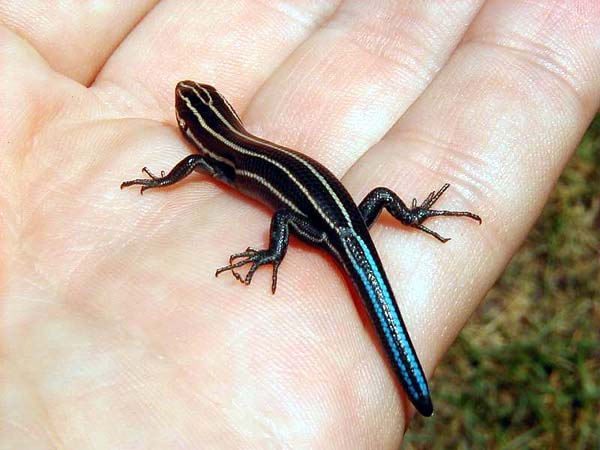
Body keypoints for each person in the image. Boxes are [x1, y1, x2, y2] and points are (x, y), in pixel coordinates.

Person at [1, 2, 598, 448]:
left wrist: (263, 247)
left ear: (196, 128)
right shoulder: (239, 148)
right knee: (375, 199)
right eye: (192, 102)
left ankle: (281, 259)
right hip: (348, 218)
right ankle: (409, 222)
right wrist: (401, 216)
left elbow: (260, 197)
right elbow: (295, 187)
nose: (186, 102)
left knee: (288, 214)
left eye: (190, 105)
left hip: (321, 225)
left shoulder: (221, 159)